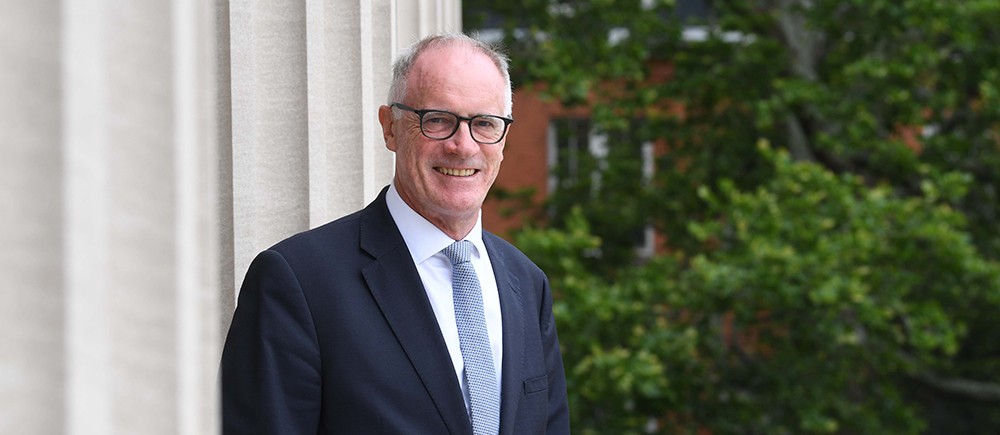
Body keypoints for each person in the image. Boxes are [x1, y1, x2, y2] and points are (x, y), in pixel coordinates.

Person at [221, 33, 570, 434]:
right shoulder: (297, 282)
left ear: (503, 139)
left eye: (484, 124)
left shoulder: (526, 284)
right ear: (390, 128)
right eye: (437, 120)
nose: (463, 145)